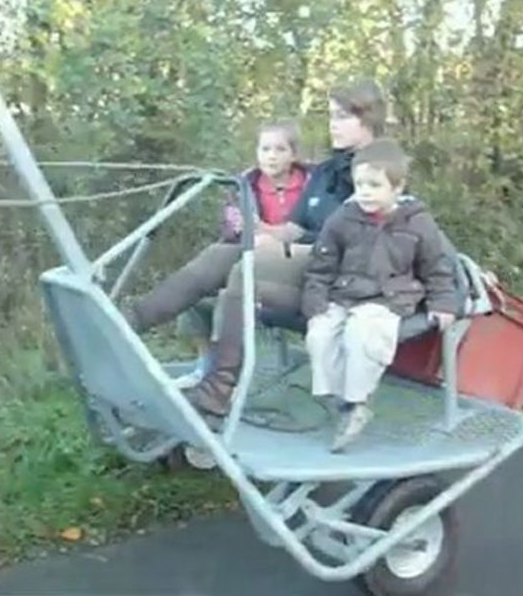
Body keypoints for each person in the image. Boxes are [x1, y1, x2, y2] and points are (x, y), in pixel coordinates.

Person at [179, 78, 386, 419]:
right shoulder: (323, 173)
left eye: (341, 116)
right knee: (215, 270)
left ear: (367, 118)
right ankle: (203, 372)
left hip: (342, 282)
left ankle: (219, 388)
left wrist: (455, 268)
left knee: (245, 275)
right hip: (303, 267)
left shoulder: (376, 172)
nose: (332, 123)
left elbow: (409, 220)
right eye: (330, 116)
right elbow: (292, 227)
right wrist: (261, 234)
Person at [302, 138, 458, 452]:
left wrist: (443, 302)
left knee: (363, 335)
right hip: (345, 293)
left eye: (374, 185)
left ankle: (358, 401)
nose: (365, 192)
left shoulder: (417, 222)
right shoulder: (343, 219)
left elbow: (436, 265)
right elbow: (321, 264)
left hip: (389, 297)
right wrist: (315, 299)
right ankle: (340, 400)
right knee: (320, 334)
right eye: (360, 184)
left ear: (397, 188)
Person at [124, 121, 310, 360]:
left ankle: (221, 374)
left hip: (289, 262)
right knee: (202, 280)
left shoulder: (311, 186)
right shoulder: (243, 186)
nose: (271, 156)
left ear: (293, 154)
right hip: (249, 251)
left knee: (227, 276)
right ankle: (136, 321)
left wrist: (266, 231)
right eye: (265, 149)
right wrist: (245, 230)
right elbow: (233, 226)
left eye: (279, 150)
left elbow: (308, 228)